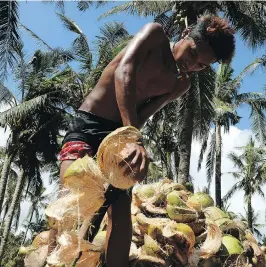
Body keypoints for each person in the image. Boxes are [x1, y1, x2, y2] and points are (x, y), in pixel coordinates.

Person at [50, 14, 235, 266]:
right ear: (185, 34)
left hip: (122, 139)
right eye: (192, 54)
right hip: (89, 126)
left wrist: (131, 143)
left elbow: (145, 113)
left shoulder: (181, 84)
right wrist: (132, 136)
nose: (193, 65)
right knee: (68, 206)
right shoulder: (155, 35)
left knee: (121, 212)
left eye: (202, 65)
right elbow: (123, 72)